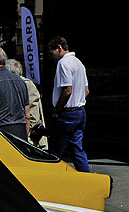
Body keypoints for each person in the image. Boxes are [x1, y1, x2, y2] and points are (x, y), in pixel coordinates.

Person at [48, 36, 91, 172]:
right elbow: (86, 91)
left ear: (59, 48)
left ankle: (52, 178)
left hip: (67, 113)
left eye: (52, 52)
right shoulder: (79, 63)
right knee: (77, 149)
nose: (52, 56)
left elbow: (67, 90)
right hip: (80, 111)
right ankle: (86, 177)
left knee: (56, 150)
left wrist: (57, 110)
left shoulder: (63, 64)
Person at [7, 59, 48, 149]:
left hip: (31, 138)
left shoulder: (27, 85)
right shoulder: (16, 85)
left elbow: (33, 113)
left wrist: (26, 134)